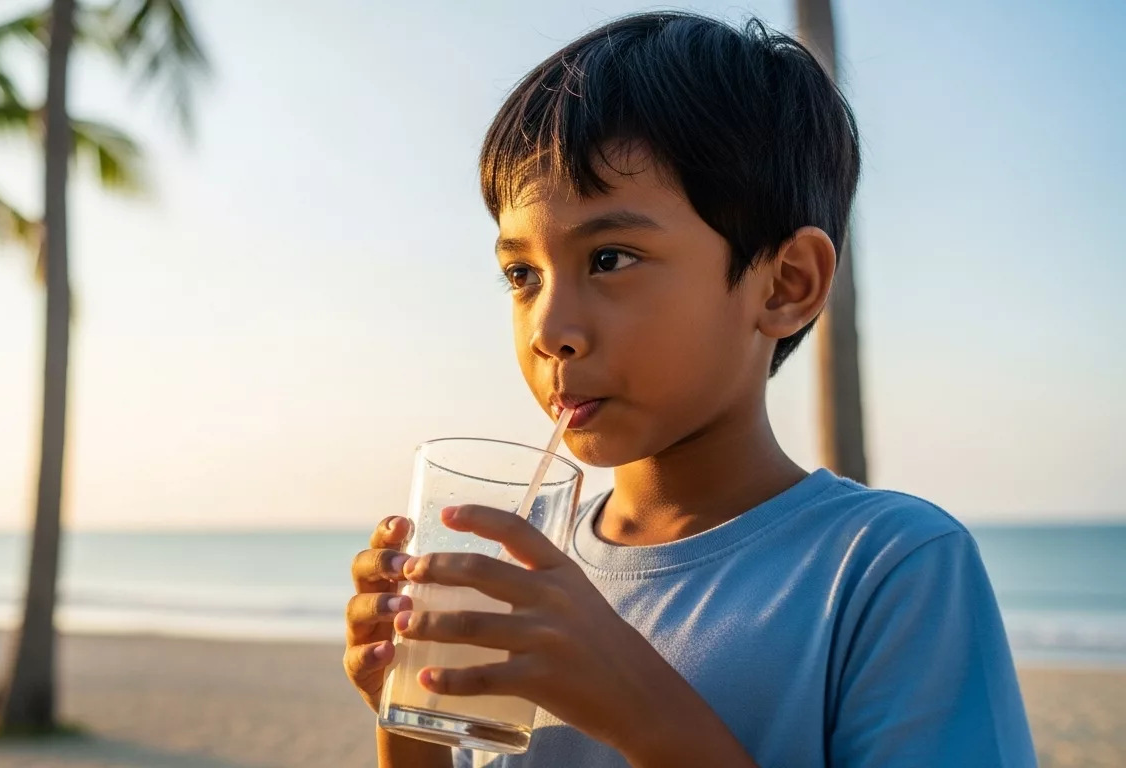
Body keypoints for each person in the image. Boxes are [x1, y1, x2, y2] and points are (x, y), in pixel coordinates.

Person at [343, 11, 1036, 768]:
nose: (549, 328)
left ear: (785, 284)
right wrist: (410, 718)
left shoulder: (886, 568)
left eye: (609, 258)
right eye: (522, 275)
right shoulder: (532, 580)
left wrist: (640, 706)